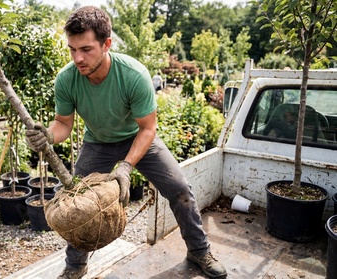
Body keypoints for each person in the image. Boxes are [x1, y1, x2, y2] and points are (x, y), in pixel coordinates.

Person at [25, 6, 227, 279]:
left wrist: (126, 166)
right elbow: (63, 123)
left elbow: (148, 128)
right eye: (72, 50)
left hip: (138, 139)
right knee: (77, 204)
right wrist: (48, 135)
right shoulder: (67, 79)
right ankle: (75, 266)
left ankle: (199, 251)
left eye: (86, 49)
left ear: (106, 44)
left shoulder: (133, 75)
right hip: (98, 143)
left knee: (181, 190)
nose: (77, 58)